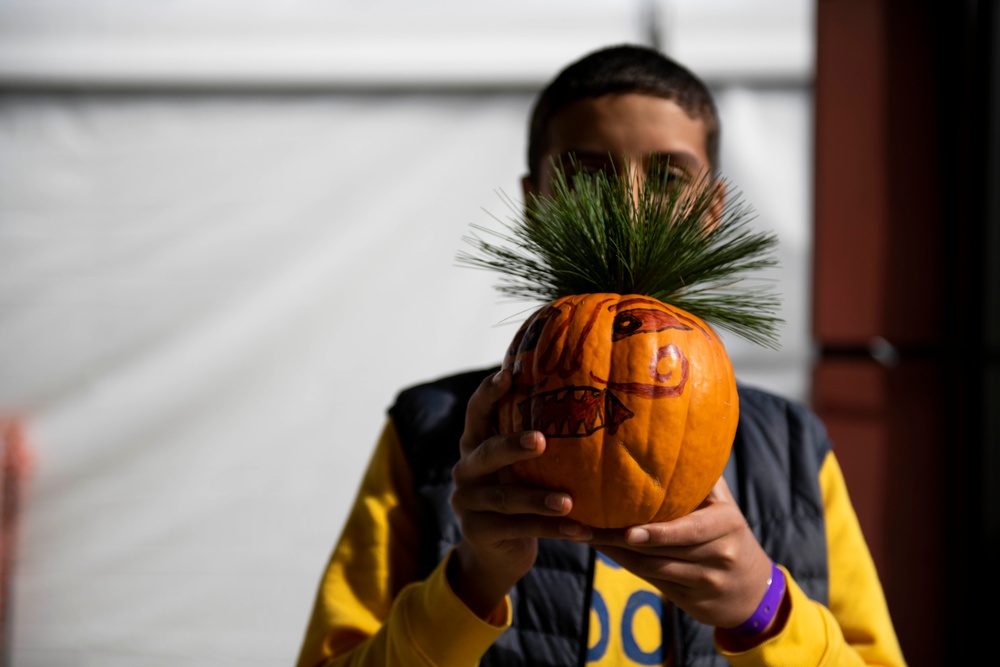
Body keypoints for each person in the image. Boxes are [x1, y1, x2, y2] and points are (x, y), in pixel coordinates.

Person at [295, 44, 906, 667]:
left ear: (712, 212)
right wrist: (470, 584)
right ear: (536, 204)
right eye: (588, 177)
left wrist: (762, 605)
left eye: (668, 178)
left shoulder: (792, 448)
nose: (630, 209)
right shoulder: (428, 433)